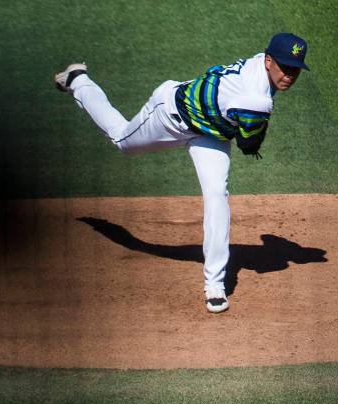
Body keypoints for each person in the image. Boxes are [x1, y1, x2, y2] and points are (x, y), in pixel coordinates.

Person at [54, 33, 309, 314]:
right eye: (285, 67)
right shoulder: (255, 98)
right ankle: (78, 80)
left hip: (210, 134)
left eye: (295, 69)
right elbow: (249, 145)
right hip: (170, 116)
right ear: (269, 61)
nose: (290, 75)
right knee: (122, 142)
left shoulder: (260, 66)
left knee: (216, 194)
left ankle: (214, 286)